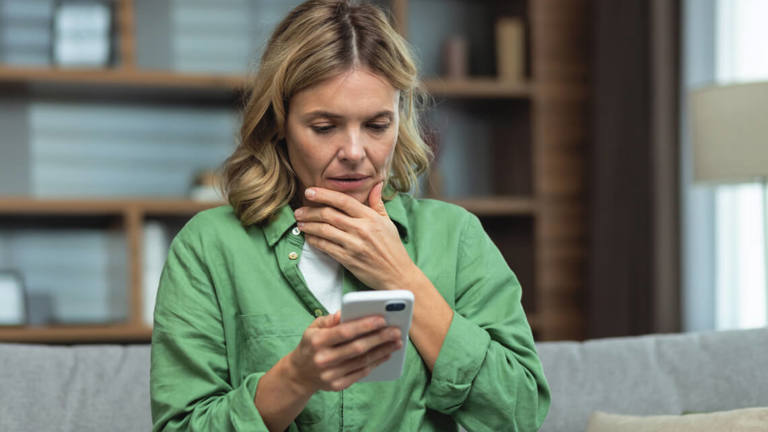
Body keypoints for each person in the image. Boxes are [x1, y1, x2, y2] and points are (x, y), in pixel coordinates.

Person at [149, 1, 550, 431]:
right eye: (324, 127)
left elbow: (520, 413)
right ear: (280, 122)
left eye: (377, 126)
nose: (355, 154)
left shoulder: (457, 238)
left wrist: (401, 276)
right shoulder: (209, 248)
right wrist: (295, 377)